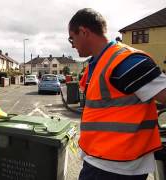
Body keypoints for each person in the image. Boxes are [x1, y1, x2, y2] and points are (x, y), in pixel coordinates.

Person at [68, 8, 166, 180]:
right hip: (101, 161)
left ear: (83, 32)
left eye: (72, 38)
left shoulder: (126, 61)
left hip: (116, 169)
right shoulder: (98, 63)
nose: (72, 44)